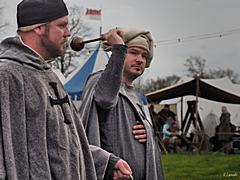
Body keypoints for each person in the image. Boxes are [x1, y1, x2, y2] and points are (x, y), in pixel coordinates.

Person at [0, 0, 133, 179]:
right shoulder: (7, 76)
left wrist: (107, 162)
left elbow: (61, 144)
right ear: (38, 28)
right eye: (62, 25)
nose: (68, 33)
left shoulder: (47, 75)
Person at [79, 27, 164, 180]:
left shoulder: (135, 95)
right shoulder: (99, 81)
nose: (140, 59)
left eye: (144, 55)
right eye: (133, 52)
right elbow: (105, 99)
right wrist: (118, 48)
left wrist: (147, 132)